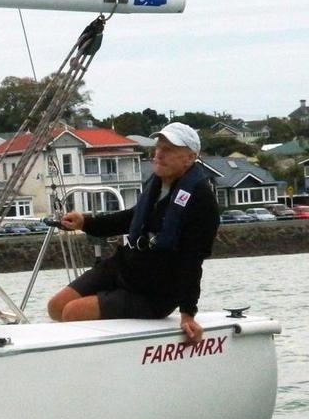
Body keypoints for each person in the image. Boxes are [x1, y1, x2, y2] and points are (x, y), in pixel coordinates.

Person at [46, 121, 219, 344]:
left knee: (73, 312)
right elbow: (131, 218)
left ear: (190, 157)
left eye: (168, 150)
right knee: (56, 307)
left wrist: (188, 313)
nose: (159, 155)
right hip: (126, 267)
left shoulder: (201, 200)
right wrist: (85, 222)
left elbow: (192, 260)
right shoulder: (156, 183)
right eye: (158, 148)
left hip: (154, 292)